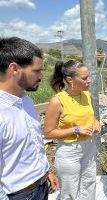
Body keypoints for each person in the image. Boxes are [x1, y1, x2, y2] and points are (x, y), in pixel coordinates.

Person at [0, 37, 59, 200]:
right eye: (37, 71)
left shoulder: (26, 101)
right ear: (14, 69)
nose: (41, 76)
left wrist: (44, 172)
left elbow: (32, 144)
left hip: (41, 188)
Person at [44, 60, 101, 200]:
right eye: (84, 78)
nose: (89, 81)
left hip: (89, 145)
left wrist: (96, 123)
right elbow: (48, 132)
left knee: (89, 184)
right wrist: (75, 130)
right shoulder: (57, 101)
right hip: (69, 151)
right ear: (70, 80)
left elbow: (91, 117)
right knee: (70, 190)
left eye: (89, 76)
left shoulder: (86, 95)